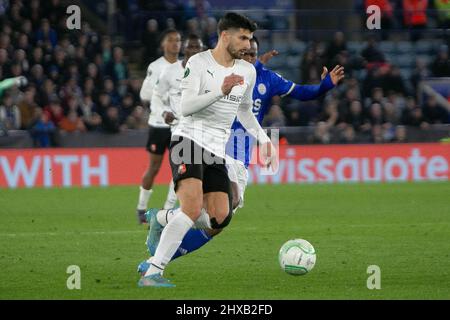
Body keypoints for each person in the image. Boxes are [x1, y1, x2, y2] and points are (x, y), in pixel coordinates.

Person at [138, 30, 344, 286]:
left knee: (218, 220)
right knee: (222, 204)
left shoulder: (267, 79)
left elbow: (302, 92)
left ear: (257, 56)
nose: (247, 56)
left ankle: (161, 226)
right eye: (244, 51)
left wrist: (325, 86)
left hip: (241, 151)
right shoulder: (221, 71)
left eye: (252, 53)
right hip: (213, 144)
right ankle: (157, 260)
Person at [138, 12, 275, 288]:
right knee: (190, 209)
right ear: (225, 36)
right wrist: (219, 92)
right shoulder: (199, 63)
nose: (248, 45)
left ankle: (161, 217)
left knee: (221, 217)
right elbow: (186, 107)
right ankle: (153, 272)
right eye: (243, 37)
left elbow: (246, 111)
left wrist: (264, 139)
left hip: (215, 150)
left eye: (250, 38)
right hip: (187, 140)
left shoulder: (247, 71)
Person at [148, 34, 205, 210]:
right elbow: (156, 96)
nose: (194, 50)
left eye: (197, 47)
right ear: (184, 49)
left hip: (204, 130)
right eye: (191, 47)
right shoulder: (170, 72)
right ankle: (167, 211)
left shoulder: (209, 72)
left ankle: (176, 212)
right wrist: (163, 111)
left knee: (195, 175)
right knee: (182, 171)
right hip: (180, 129)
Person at [135, 29, 182, 224]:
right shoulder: (156, 67)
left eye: (178, 40)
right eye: (171, 40)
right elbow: (145, 95)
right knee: (154, 167)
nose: (175, 44)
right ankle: (141, 208)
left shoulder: (185, 67)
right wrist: (161, 102)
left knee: (179, 168)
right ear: (163, 44)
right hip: (158, 125)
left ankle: (168, 209)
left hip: (180, 126)